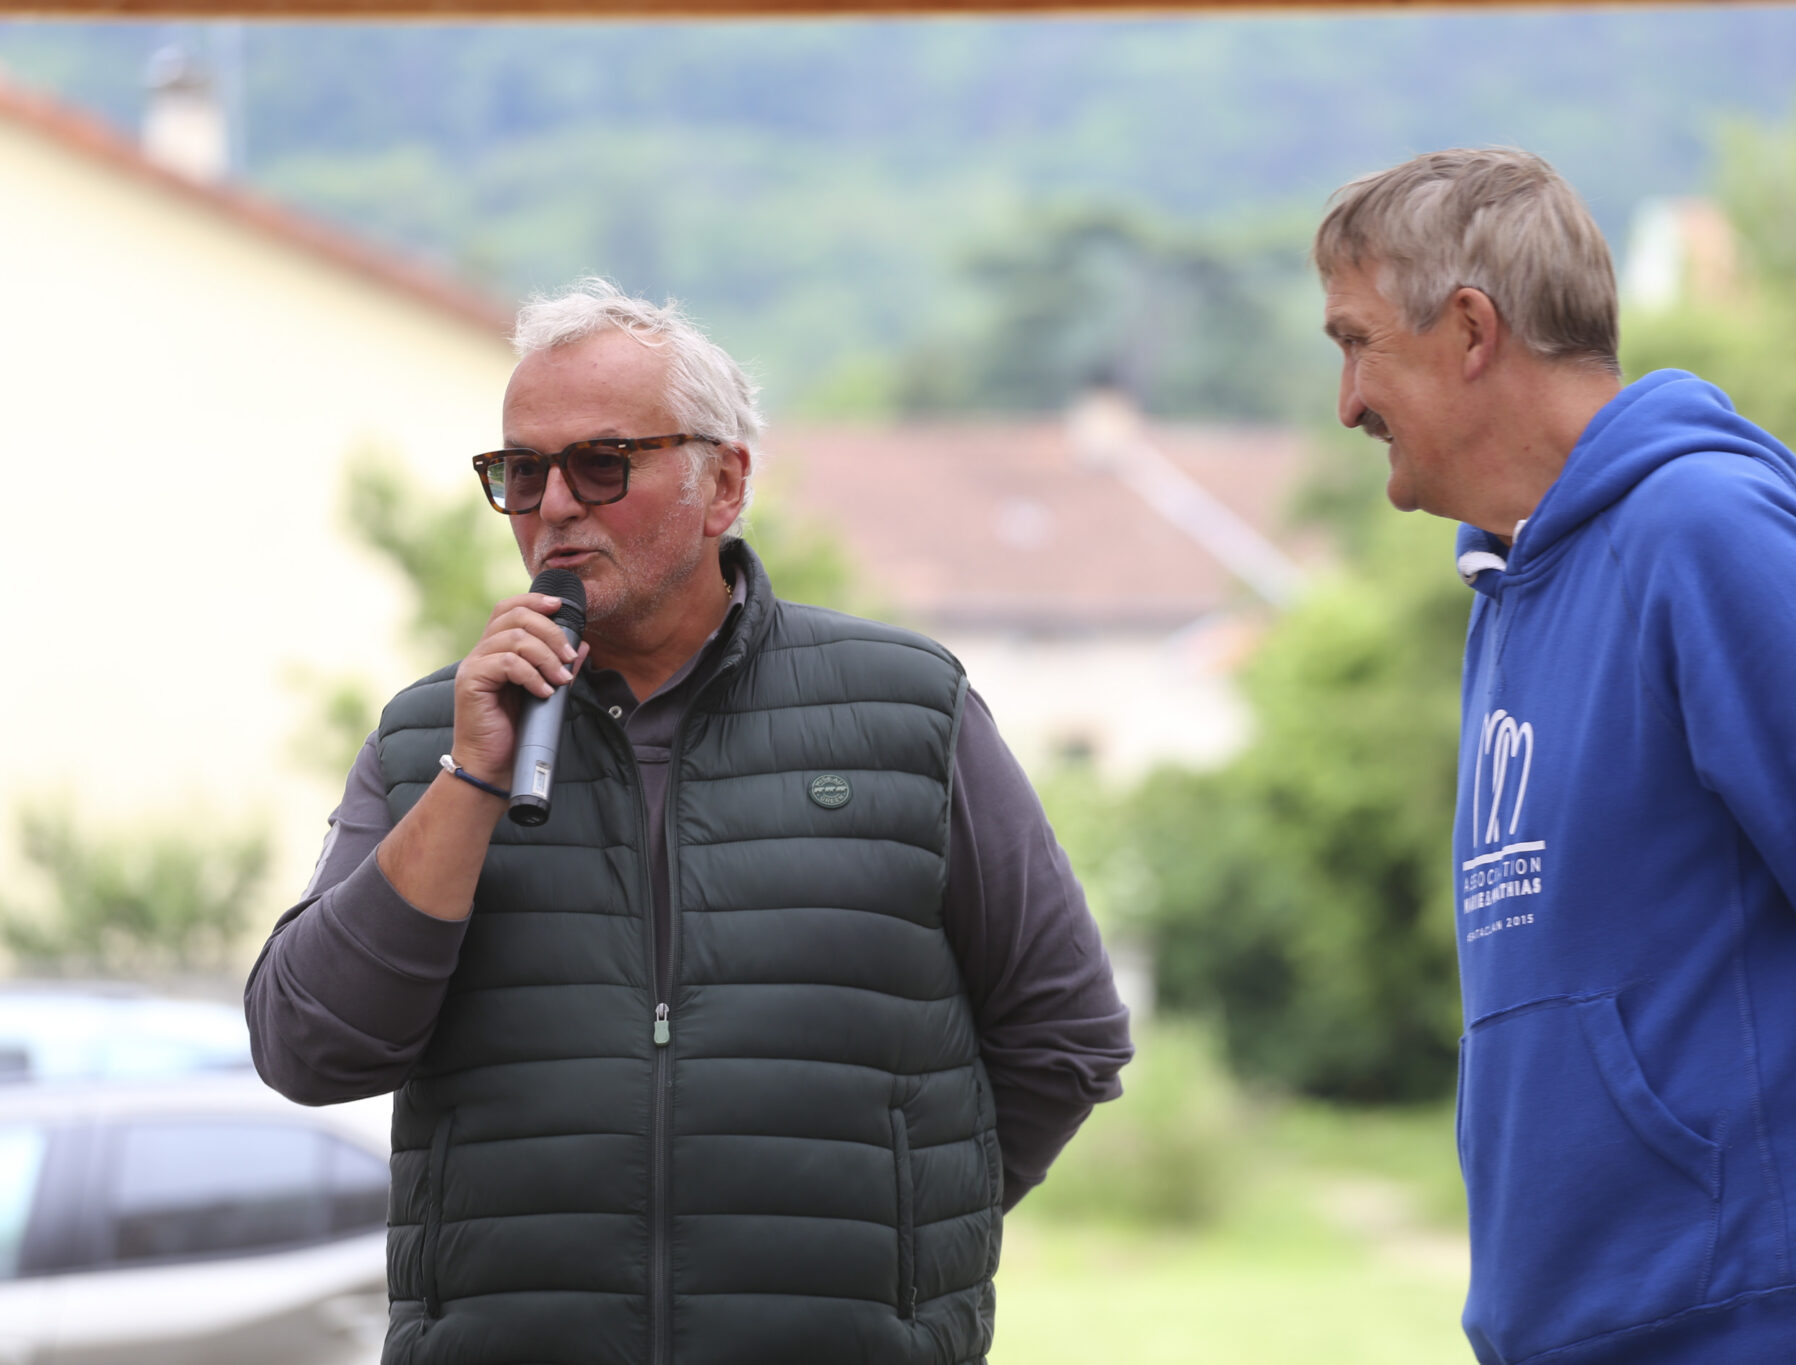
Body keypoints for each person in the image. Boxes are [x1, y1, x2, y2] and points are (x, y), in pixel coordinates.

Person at [246, 278, 1132, 1365]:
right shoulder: (432, 734)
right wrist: (469, 779)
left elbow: (1066, 1036)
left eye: (601, 463)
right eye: (521, 471)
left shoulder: (908, 711)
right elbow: (307, 1049)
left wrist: (902, 1242)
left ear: (724, 483)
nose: (554, 504)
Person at [1314, 149, 1796, 1365]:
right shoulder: (1511, 591)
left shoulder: (1702, 532)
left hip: (1777, 1331)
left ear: (1470, 330)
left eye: (1355, 343)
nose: (1345, 402)